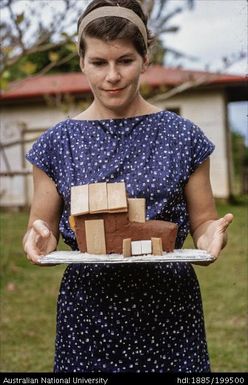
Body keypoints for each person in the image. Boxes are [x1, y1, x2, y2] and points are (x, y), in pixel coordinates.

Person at [23, 0, 233, 373]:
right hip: (88, 316)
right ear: (82, 61)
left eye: (125, 60)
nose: (112, 76)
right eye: (99, 62)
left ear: (145, 58)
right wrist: (37, 237)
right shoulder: (56, 144)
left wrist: (210, 236)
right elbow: (43, 228)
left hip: (169, 312)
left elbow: (202, 223)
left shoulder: (184, 137)